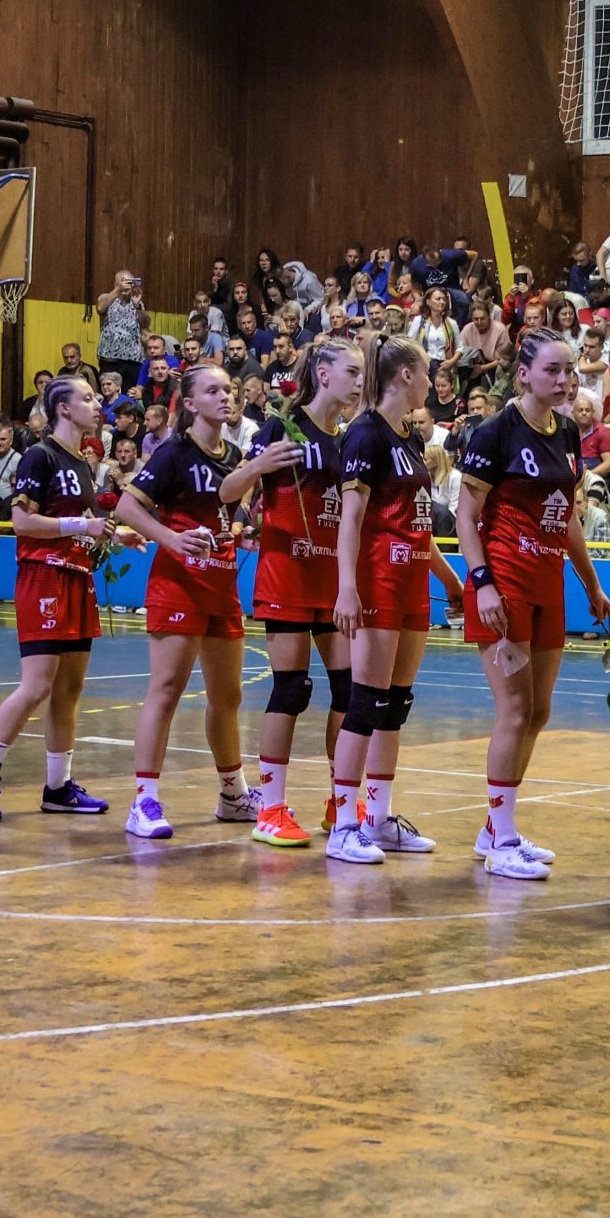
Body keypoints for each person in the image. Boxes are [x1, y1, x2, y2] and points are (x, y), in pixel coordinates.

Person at [459, 333, 610, 880]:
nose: (564, 380)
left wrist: (591, 584)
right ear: (523, 374)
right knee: (515, 710)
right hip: (504, 584)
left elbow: (567, 515)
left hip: (548, 583)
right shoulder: (495, 431)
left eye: (569, 370)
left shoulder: (568, 431)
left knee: (540, 711)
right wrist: (482, 584)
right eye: (552, 370)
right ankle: (502, 840)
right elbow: (466, 516)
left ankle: (494, 828)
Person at [115, 362, 277, 840]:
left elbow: (227, 511)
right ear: (189, 403)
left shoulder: (236, 456)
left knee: (228, 696)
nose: (225, 396)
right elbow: (126, 506)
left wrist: (241, 531)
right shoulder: (174, 453)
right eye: (213, 391)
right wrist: (170, 538)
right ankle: (143, 800)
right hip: (179, 584)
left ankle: (233, 794)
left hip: (221, 583)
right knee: (166, 689)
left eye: (228, 389)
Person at [0, 375, 128, 821]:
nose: (97, 405)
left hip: (77, 577)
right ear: (63, 409)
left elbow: (79, 523)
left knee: (69, 689)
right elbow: (22, 523)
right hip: (44, 577)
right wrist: (83, 526)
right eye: (87, 398)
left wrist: (115, 536)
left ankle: (58, 787)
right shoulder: (40, 455)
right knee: (36, 685)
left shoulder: (82, 462)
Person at [238, 338, 363, 846]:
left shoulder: (347, 439)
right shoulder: (282, 426)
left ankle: (341, 801)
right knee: (292, 689)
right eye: (352, 371)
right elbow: (232, 491)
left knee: (350, 692)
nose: (360, 381)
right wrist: (255, 473)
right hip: (287, 576)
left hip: (332, 581)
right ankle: (270, 808)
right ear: (324, 373)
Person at [326, 338, 445, 863]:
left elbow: (418, 526)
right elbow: (350, 519)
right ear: (405, 376)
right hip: (378, 583)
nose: (432, 382)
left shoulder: (408, 437)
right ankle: (343, 826)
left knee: (395, 705)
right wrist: (347, 588)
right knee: (365, 703)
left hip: (413, 584)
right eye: (427, 372)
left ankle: (378, 820)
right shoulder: (365, 432)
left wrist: (451, 581)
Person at [94, 267, 149, 386]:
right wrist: (118, 289)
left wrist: (137, 306)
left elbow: (145, 324)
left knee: (130, 392)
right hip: (110, 358)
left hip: (133, 360)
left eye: (129, 282)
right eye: (123, 282)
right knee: (109, 390)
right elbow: (100, 308)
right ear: (115, 284)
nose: (127, 286)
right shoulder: (106, 297)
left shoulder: (136, 302)